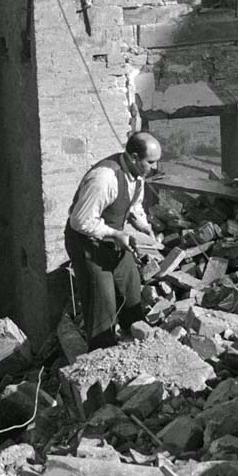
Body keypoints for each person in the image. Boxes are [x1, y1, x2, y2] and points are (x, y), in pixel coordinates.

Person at [64, 132, 162, 350]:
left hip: (112, 238)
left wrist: (143, 226)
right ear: (135, 157)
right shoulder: (104, 178)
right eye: (151, 162)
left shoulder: (137, 173)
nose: (155, 167)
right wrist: (116, 235)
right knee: (102, 301)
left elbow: (134, 204)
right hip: (86, 242)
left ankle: (135, 337)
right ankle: (103, 351)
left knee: (131, 282)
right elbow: (79, 221)